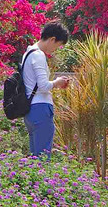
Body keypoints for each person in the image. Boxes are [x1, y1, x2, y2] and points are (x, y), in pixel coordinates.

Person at [22, 21, 71, 158]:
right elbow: (43, 85)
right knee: (43, 158)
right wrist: (57, 82)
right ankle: (42, 180)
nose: (55, 49)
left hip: (30, 110)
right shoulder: (38, 55)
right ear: (52, 40)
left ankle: (33, 179)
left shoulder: (28, 53)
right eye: (58, 45)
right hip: (40, 109)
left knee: (35, 157)